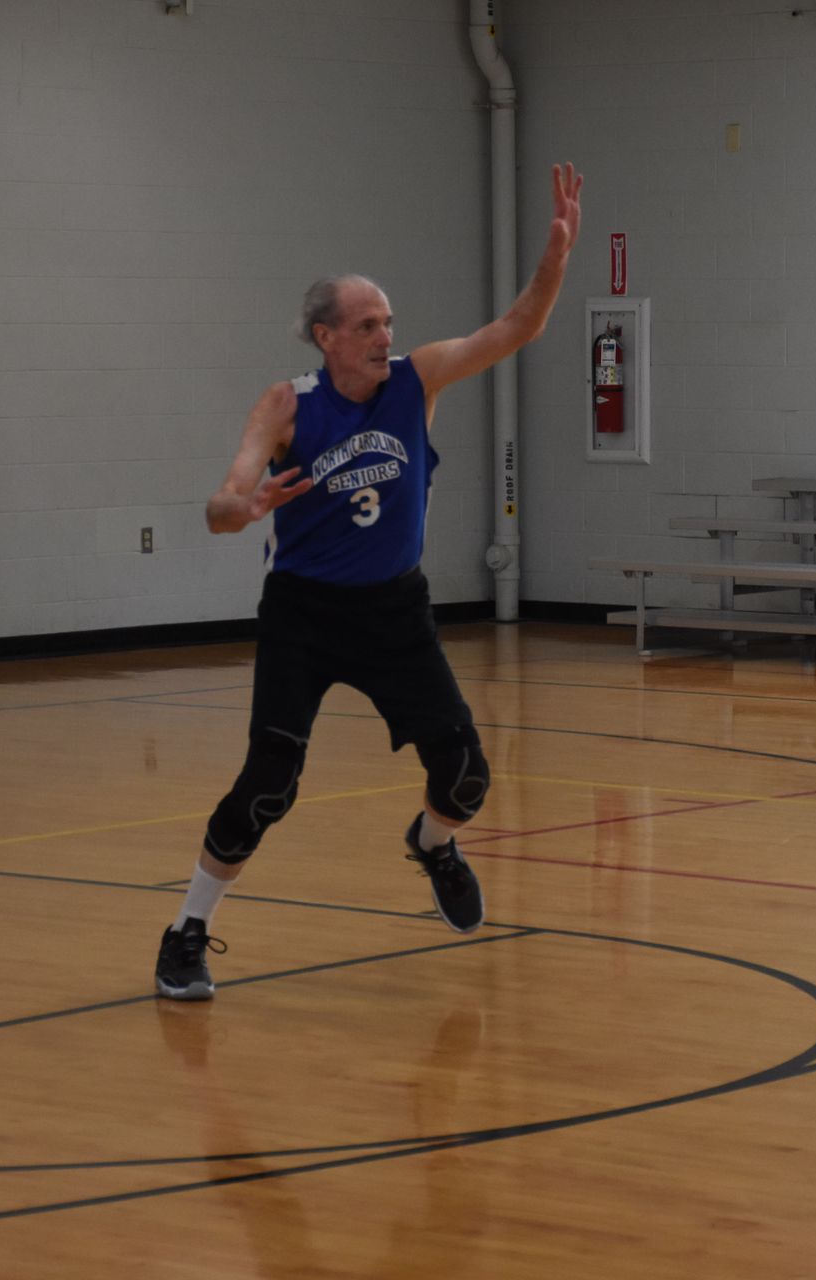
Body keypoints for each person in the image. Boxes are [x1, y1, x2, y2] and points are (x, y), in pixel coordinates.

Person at [154, 163, 584, 1001]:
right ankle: (187, 932)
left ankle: (431, 844)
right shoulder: (286, 405)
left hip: (395, 611)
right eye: (367, 324)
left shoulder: (418, 381)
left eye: (389, 321)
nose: (386, 335)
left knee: (465, 777)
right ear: (327, 336)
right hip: (304, 615)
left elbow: (516, 329)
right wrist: (240, 509)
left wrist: (557, 257)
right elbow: (222, 498)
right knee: (268, 785)